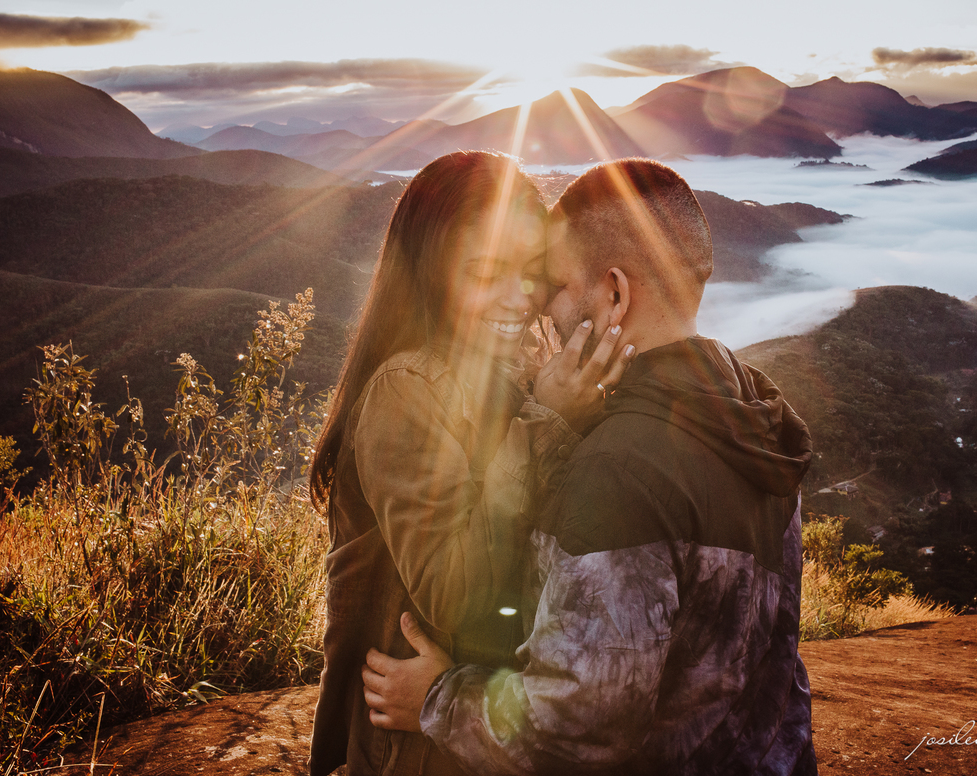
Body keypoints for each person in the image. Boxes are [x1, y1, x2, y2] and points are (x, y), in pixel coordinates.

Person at [362, 158, 817, 775]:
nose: (539, 306)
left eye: (550, 282)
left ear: (614, 294)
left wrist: (440, 699)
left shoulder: (620, 469)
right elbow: (775, 661)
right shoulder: (762, 424)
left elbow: (573, 726)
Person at [306, 150, 632, 776]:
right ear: (429, 273)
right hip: (411, 751)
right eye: (486, 272)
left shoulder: (500, 374)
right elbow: (457, 594)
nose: (520, 297)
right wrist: (551, 420)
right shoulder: (405, 392)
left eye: (531, 272)